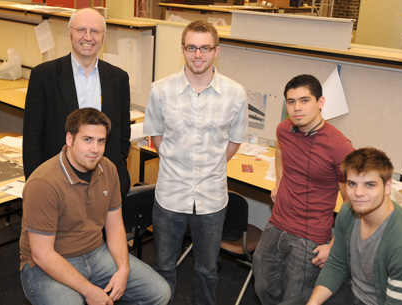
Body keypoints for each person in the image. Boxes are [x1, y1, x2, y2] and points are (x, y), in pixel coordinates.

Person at [19, 108, 170, 305]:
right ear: (70, 139)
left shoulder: (108, 169)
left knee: (160, 293)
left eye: (101, 141)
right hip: (49, 262)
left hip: (96, 253)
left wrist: (123, 269)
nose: (95, 149)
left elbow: (114, 226)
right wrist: (89, 291)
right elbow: (42, 254)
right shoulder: (43, 183)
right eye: (87, 140)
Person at [143, 20, 248, 304]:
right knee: (164, 266)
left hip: (212, 198)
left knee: (207, 270)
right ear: (182, 49)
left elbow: (235, 141)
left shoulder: (235, 93)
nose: (198, 55)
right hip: (170, 194)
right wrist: (180, 164)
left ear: (216, 51)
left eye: (205, 48)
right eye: (192, 47)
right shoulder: (160, 90)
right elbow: (156, 136)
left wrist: (209, 166)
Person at [253, 74, 354, 304]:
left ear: (320, 102)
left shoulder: (339, 146)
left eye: (304, 100)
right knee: (262, 286)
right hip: (277, 223)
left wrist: (334, 245)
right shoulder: (284, 130)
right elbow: (279, 150)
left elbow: (352, 202)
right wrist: (278, 182)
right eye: (291, 102)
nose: (297, 108)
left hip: (310, 237)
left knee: (296, 298)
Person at [297, 147, 402, 305]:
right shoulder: (348, 212)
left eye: (369, 185)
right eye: (352, 184)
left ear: (388, 186)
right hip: (354, 293)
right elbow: (337, 265)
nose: (358, 193)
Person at [23, 8, 131, 199]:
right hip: (59, 179)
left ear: (103, 37)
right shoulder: (44, 76)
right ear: (70, 32)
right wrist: (35, 184)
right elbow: (32, 137)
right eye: (81, 30)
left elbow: (122, 134)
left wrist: (117, 166)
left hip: (104, 179)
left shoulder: (119, 78)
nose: (87, 37)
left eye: (95, 31)